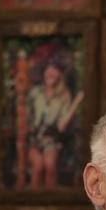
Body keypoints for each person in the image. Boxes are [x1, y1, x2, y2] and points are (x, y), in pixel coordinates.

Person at [25, 60, 83, 189]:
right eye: (48, 70)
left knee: (49, 164)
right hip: (34, 139)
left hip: (50, 139)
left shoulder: (64, 95)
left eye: (54, 70)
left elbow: (61, 126)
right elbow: (26, 115)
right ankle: (34, 201)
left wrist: (76, 103)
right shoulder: (36, 92)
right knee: (38, 166)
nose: (50, 73)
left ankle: (50, 200)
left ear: (59, 75)